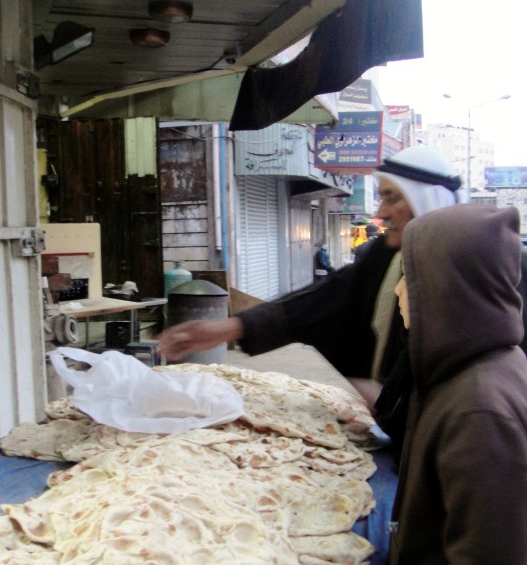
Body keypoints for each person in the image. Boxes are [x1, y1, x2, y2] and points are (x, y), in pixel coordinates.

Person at [158, 144, 470, 387]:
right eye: (380, 198)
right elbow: (323, 303)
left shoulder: (471, 278)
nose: (381, 212)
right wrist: (231, 327)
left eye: (392, 198)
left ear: (428, 202)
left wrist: (397, 402)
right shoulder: (385, 255)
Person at [386, 204, 527, 565]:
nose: (400, 293)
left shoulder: (478, 404)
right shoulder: (472, 362)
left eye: (410, 279)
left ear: (450, 287)